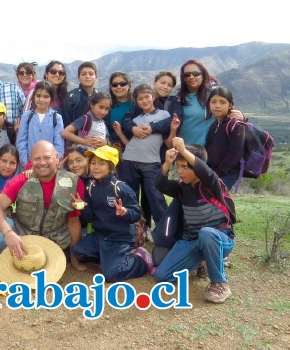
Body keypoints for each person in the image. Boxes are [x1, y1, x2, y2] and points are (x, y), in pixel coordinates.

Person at [0, 141, 86, 278]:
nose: (42, 162)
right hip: (21, 235)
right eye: (37, 158)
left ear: (57, 157)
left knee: (36, 265)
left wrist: (75, 259)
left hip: (52, 241)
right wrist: (8, 233)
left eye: (47, 157)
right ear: (31, 161)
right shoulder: (22, 179)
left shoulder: (73, 183)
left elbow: (73, 222)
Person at [154, 137, 236, 304]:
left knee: (206, 234)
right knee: (162, 276)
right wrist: (168, 163)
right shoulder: (182, 187)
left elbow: (205, 171)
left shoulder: (212, 184)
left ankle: (220, 283)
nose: (181, 171)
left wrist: (183, 151)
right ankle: (200, 262)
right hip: (191, 241)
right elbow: (160, 184)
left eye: (185, 167)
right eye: (179, 167)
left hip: (220, 240)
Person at [71, 145, 154, 282]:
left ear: (111, 167)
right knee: (78, 251)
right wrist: (82, 207)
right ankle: (110, 261)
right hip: (100, 235)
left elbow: (137, 214)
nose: (96, 167)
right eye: (93, 163)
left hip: (119, 238)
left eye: (101, 164)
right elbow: (90, 217)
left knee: (111, 276)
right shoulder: (91, 187)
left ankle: (140, 259)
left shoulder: (120, 188)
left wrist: (125, 212)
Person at [118, 84, 169, 226]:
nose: (144, 101)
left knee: (156, 197)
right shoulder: (136, 120)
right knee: (129, 196)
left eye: (147, 97)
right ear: (137, 102)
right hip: (129, 159)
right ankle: (134, 231)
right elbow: (129, 136)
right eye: (140, 99)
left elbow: (168, 128)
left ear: (153, 97)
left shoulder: (164, 115)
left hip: (151, 161)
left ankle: (164, 234)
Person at [176, 59, 244, 145]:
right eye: (187, 74)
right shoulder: (177, 96)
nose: (191, 77)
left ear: (203, 74)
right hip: (181, 150)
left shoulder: (213, 94)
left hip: (207, 151)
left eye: (196, 73)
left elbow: (228, 112)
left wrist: (241, 117)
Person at [16, 81, 64, 168]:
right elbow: (21, 142)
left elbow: (59, 144)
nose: (41, 100)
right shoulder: (27, 116)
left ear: (51, 99)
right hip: (29, 165)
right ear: (33, 97)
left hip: (49, 166)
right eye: (38, 96)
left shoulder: (56, 118)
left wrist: (53, 163)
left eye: (46, 97)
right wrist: (26, 163)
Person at [205, 87, 245, 190]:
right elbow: (207, 148)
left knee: (213, 198)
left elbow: (235, 153)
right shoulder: (214, 125)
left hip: (228, 172)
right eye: (213, 102)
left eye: (222, 102)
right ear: (209, 104)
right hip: (213, 170)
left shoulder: (235, 126)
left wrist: (218, 172)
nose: (217, 105)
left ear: (230, 105)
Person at [61, 61, 99, 127]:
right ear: (78, 78)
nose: (87, 76)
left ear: (96, 77)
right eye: (83, 74)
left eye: (91, 74)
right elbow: (66, 123)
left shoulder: (100, 97)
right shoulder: (72, 97)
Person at [107, 72, 134, 148]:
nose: (118, 87)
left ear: (128, 85)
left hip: (133, 151)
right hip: (111, 149)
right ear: (111, 87)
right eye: (114, 85)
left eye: (122, 84)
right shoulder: (107, 106)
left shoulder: (137, 106)